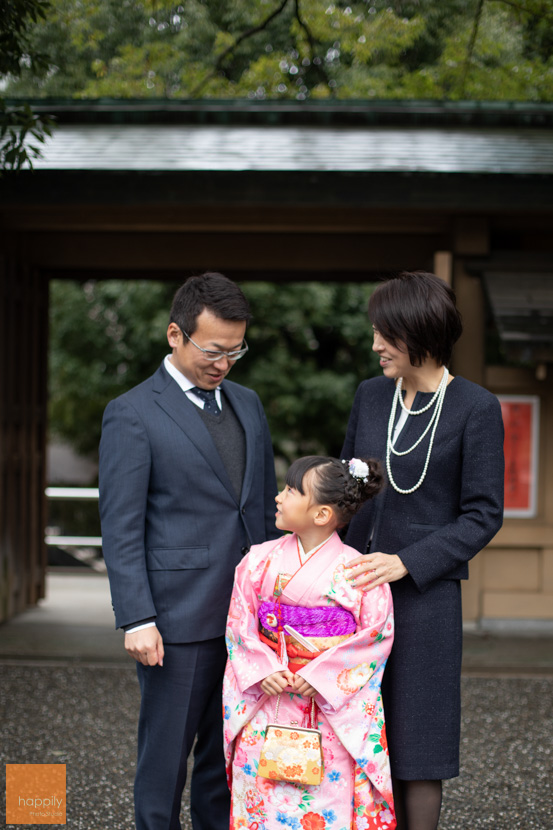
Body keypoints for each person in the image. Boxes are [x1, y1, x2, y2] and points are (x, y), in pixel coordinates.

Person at [98, 272, 279, 830]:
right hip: (175, 620)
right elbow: (121, 525)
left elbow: (262, 505)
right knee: (164, 761)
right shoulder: (132, 412)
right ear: (174, 334)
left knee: (226, 761)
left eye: (235, 350)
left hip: (248, 621)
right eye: (213, 350)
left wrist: (278, 605)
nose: (224, 362)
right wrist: (137, 616)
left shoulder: (247, 404)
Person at [340, 271, 504, 830]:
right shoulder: (369, 396)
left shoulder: (475, 408)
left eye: (385, 334)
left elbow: (484, 514)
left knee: (417, 747)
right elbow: (345, 491)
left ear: (419, 332)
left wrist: (407, 562)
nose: (375, 345)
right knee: (348, 732)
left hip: (425, 600)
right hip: (353, 593)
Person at [223, 455, 396, 830]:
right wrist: (262, 668)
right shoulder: (257, 561)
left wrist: (320, 675)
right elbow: (239, 624)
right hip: (270, 696)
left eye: (291, 490)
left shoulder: (360, 571)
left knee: (326, 801)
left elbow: (376, 636)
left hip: (329, 710)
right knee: (260, 794)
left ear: (321, 515)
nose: (278, 498)